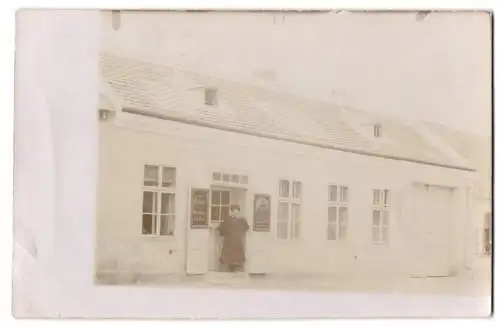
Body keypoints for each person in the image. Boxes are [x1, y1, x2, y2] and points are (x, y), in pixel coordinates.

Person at [217, 204, 250, 272]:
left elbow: (247, 228)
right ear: (232, 211)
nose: (236, 212)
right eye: (234, 211)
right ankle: (230, 268)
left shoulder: (242, 220)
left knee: (236, 256)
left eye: (237, 211)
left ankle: (235, 268)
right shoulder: (228, 220)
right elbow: (221, 228)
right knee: (229, 256)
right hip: (229, 241)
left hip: (237, 241)